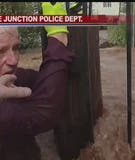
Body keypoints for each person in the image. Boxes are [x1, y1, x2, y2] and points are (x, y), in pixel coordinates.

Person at [0, 2, 74, 160]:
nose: (13, 60)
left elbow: (43, 82)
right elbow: (44, 113)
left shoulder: (8, 78)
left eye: (17, 48)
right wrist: (58, 36)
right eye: (1, 51)